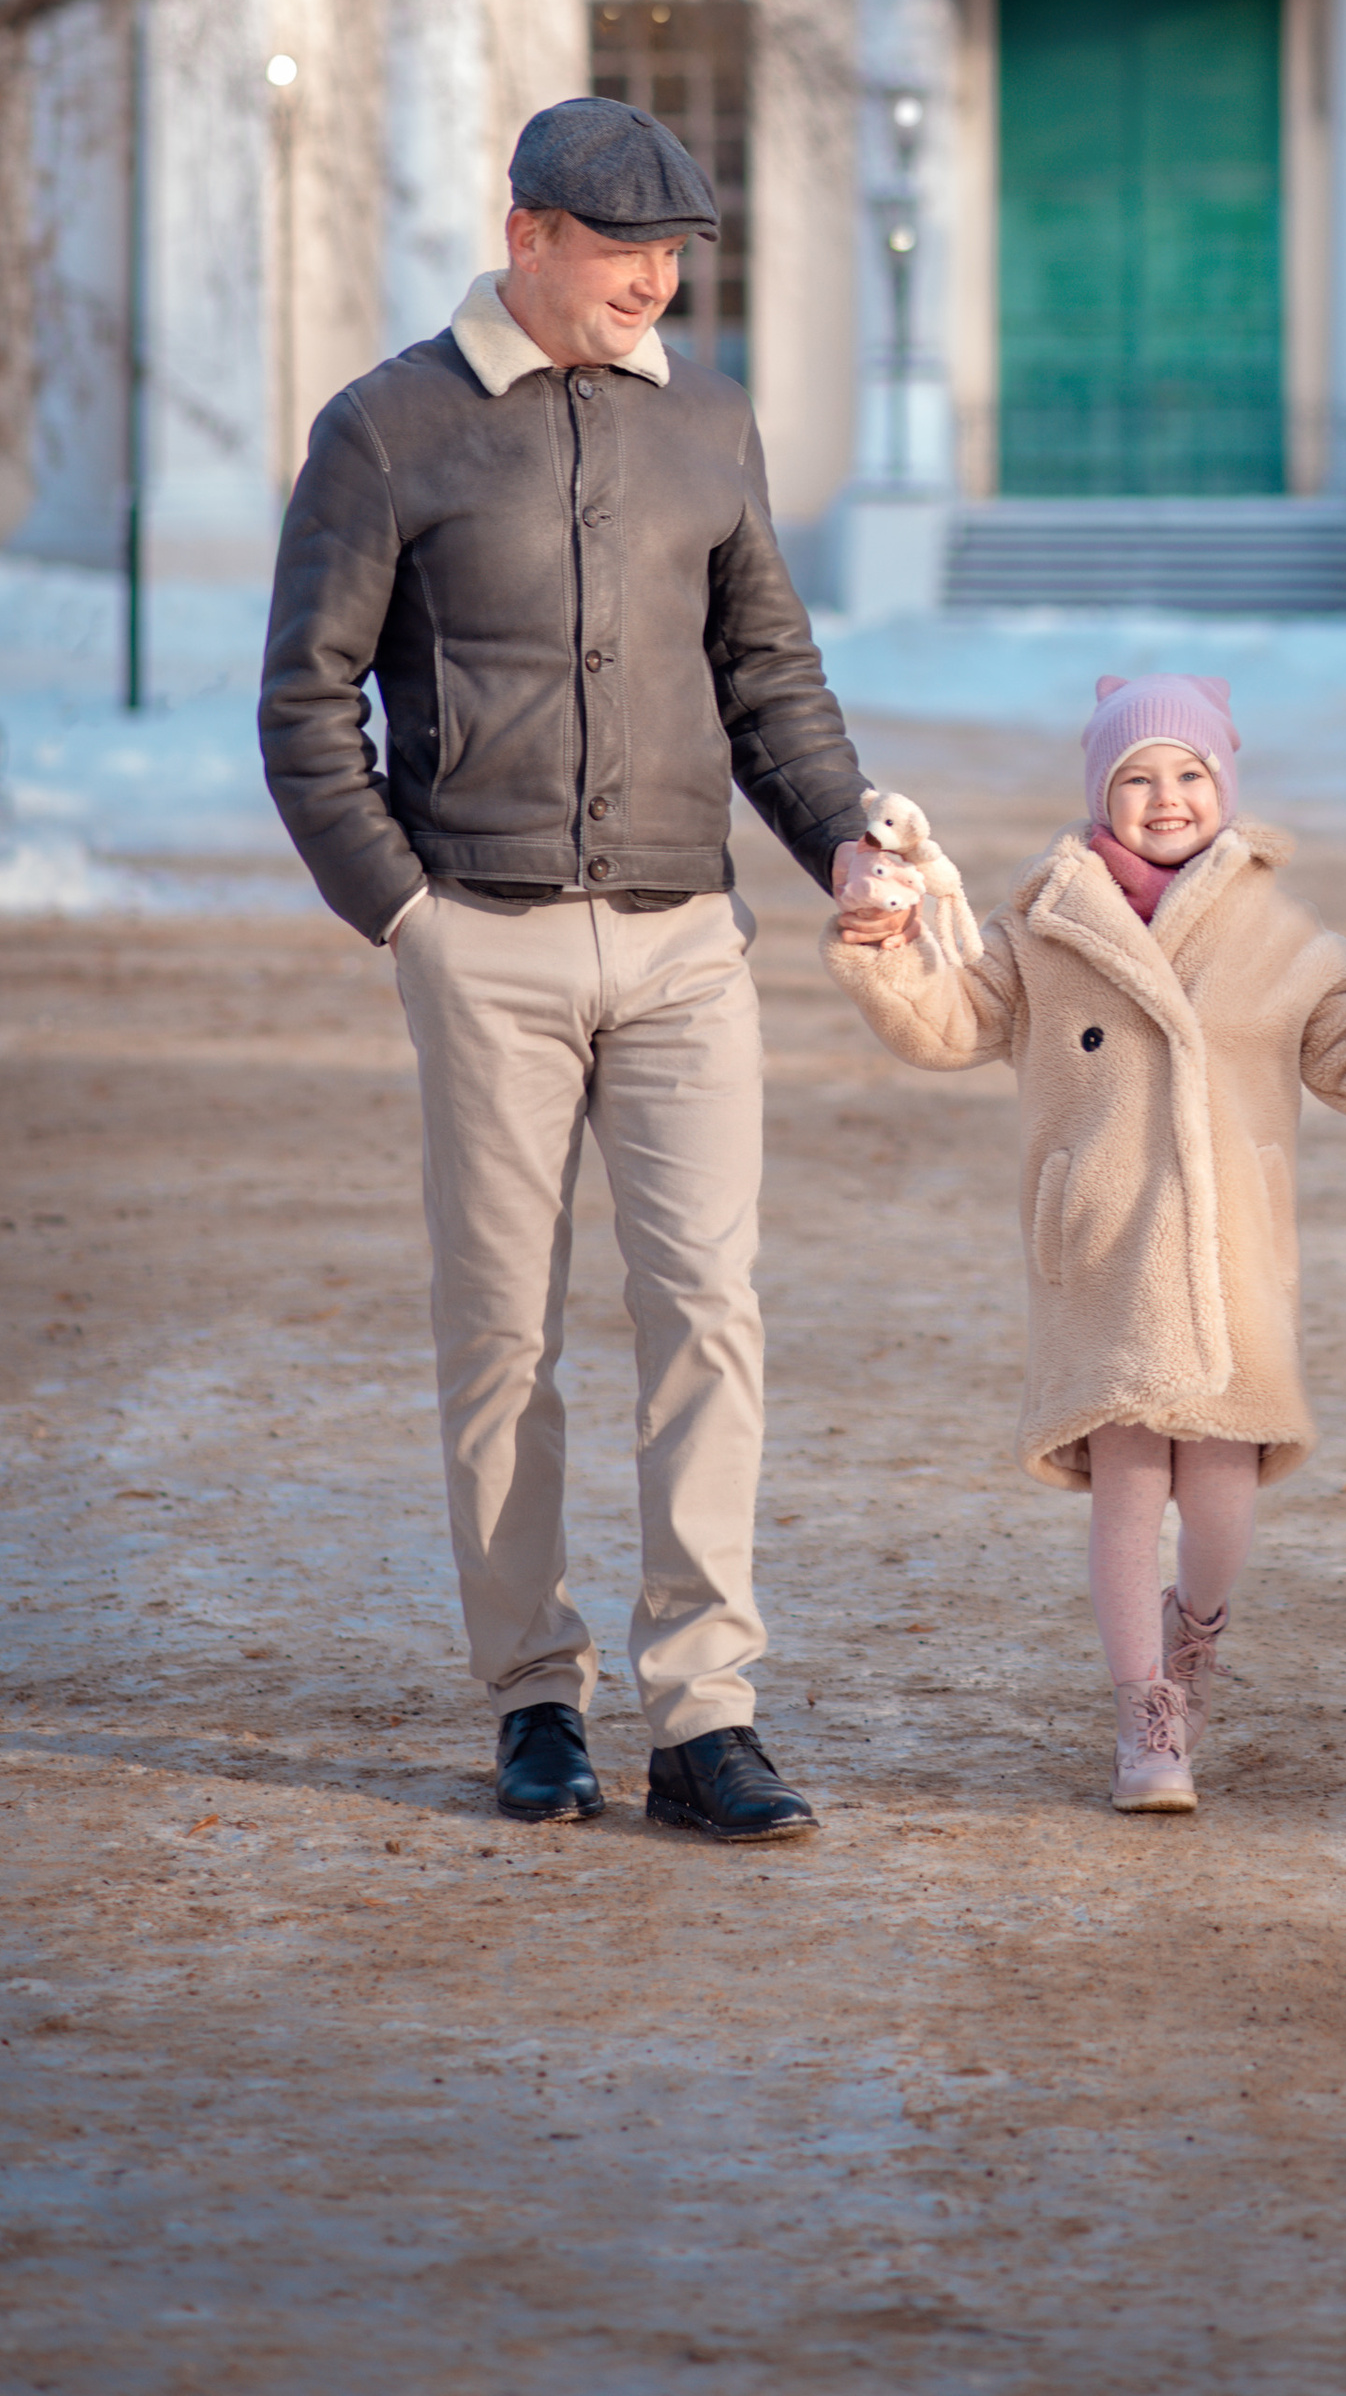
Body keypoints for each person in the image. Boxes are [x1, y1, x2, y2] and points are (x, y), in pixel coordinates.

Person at [259, 97, 876, 1840]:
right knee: (503, 1336)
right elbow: (307, 704)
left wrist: (844, 842)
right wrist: (407, 916)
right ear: (526, 233)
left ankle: (704, 1716)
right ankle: (534, 1695)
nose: (656, 282)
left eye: (676, 253)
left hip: (690, 942)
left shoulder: (712, 425)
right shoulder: (386, 428)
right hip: (487, 941)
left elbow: (772, 681)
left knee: (709, 1317)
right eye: (625, 251)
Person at [824, 672, 1346, 1810]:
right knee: (1130, 1482)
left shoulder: (1278, 933)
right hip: (1105, 1252)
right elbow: (952, 1023)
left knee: (1224, 1486)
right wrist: (888, 949)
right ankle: (1143, 1708)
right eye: (1136, 776)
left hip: (1230, 1254)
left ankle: (1195, 1639)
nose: (1166, 795)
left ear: (1224, 786)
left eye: (1189, 773)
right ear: (1101, 792)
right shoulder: (1048, 923)